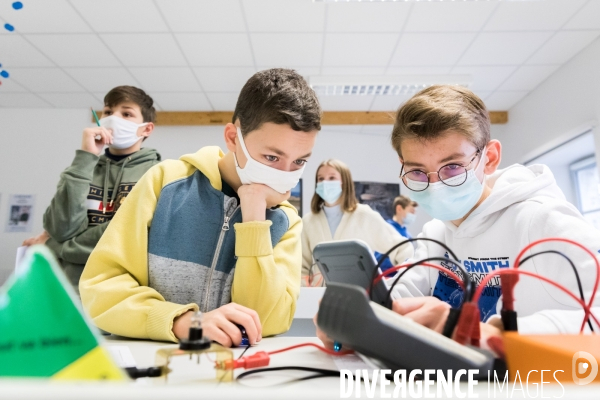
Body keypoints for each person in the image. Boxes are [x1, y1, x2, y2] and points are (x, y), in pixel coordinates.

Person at [316, 84, 600, 351]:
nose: (435, 185)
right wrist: (352, 324)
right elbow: (397, 302)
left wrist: (501, 336)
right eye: (417, 172)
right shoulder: (434, 235)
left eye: (452, 167)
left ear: (489, 158)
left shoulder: (543, 220)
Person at [80, 69, 322, 347]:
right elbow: (100, 288)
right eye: (271, 156)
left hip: (233, 380)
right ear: (232, 137)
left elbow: (266, 320)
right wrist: (183, 322)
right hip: (151, 373)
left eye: (299, 162)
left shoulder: (285, 221)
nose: (284, 173)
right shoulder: (165, 182)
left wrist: (255, 220)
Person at [23, 86, 161, 292]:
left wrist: (56, 248)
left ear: (146, 129)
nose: (113, 119)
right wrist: (86, 156)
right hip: (69, 289)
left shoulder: (157, 174)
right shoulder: (83, 165)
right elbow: (60, 228)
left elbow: (127, 237)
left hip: (122, 294)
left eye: (126, 114)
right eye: (107, 112)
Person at [301, 159, 413, 287]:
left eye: (332, 178)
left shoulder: (364, 215)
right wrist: (306, 293)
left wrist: (401, 282)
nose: (325, 183)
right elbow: (301, 267)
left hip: (361, 296)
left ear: (345, 182)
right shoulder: (308, 221)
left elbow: (401, 248)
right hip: (321, 299)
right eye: (320, 179)